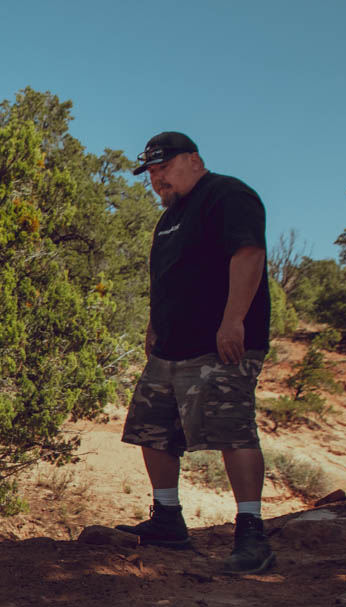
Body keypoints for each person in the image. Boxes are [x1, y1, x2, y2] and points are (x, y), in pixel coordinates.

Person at [115, 131, 274, 574]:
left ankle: (251, 532)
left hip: (219, 341)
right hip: (169, 348)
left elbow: (248, 254)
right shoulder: (170, 217)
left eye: (164, 167)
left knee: (232, 431)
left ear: (194, 160)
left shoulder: (226, 194)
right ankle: (168, 520)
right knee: (152, 430)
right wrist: (153, 324)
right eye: (151, 172)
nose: (157, 179)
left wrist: (233, 319)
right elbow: (170, 276)